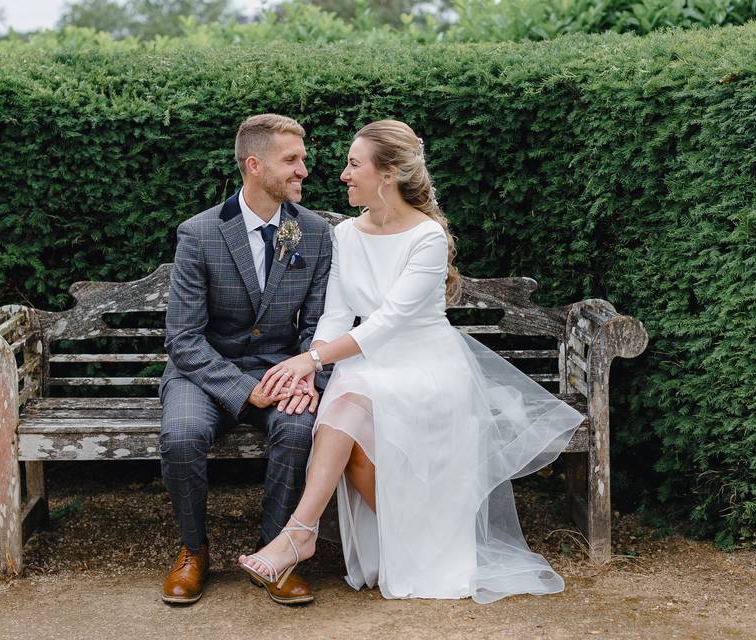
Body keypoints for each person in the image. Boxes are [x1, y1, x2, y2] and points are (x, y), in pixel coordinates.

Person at [239, 120, 584, 603]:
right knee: (344, 412)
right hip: (367, 365)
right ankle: (330, 534)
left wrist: (310, 359)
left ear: (387, 175)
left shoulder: (428, 237)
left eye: (354, 164)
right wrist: (310, 374)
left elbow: (390, 323)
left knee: (348, 405)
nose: (342, 175)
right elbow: (337, 313)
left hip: (426, 367)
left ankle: (302, 532)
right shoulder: (347, 235)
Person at [160, 114, 333, 606]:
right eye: (292, 160)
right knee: (181, 435)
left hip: (279, 370)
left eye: (303, 159)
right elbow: (183, 338)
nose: (304, 170)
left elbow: (319, 324)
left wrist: (309, 371)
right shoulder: (199, 234)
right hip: (204, 372)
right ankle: (194, 550)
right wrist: (242, 389)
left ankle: (274, 553)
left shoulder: (314, 233)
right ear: (254, 165)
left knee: (300, 428)